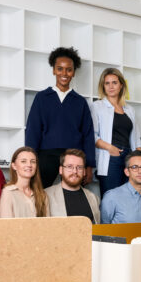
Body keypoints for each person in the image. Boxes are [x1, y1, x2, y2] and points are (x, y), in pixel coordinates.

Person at [25, 46, 95, 188]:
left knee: (73, 195)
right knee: (38, 193)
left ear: (74, 72)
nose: (64, 73)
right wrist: (30, 160)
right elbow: (33, 130)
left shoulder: (80, 102)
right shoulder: (42, 98)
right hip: (46, 155)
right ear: (53, 70)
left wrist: (89, 165)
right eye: (60, 68)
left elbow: (88, 135)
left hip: (74, 157)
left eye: (69, 69)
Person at [91, 68, 141, 199]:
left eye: (114, 82)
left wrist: (138, 159)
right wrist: (110, 148)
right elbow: (92, 135)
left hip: (129, 159)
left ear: (121, 85)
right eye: (107, 83)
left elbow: (136, 139)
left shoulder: (130, 109)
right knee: (111, 199)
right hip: (110, 158)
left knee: (129, 198)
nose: (111, 86)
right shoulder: (97, 106)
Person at [100, 151, 141, 227]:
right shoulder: (111, 197)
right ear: (127, 172)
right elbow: (104, 230)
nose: (140, 171)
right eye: (134, 167)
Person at [45, 149, 100, 223]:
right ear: (61, 170)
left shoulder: (93, 198)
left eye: (79, 167)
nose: (75, 171)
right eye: (69, 166)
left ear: (84, 171)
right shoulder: (45, 195)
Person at [0, 146, 49, 218]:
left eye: (33, 162)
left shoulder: (42, 195)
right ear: (14, 166)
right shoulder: (7, 193)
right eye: (23, 161)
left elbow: (49, 225)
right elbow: (6, 227)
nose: (29, 165)